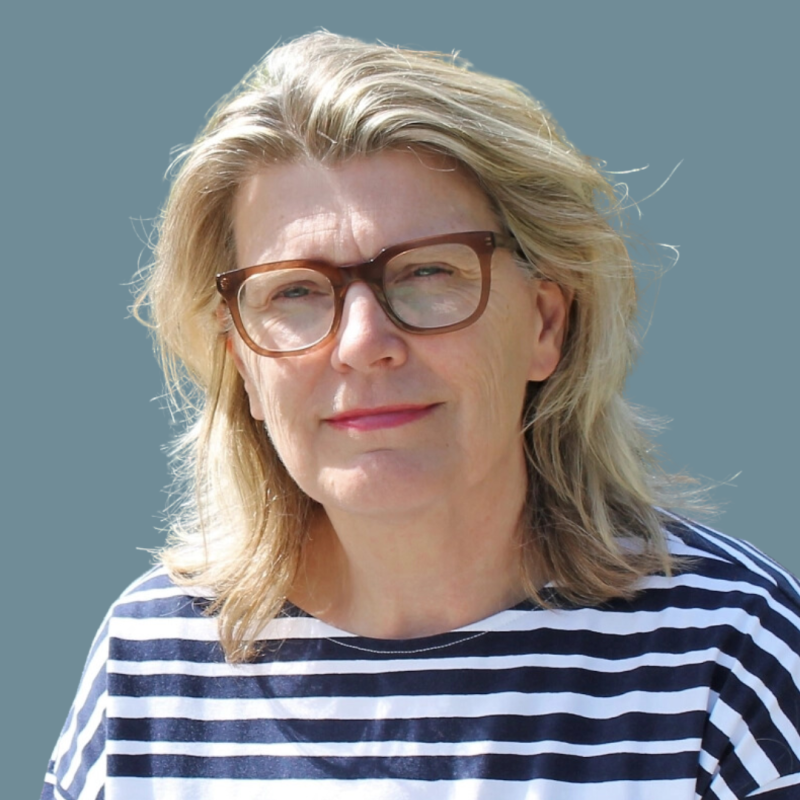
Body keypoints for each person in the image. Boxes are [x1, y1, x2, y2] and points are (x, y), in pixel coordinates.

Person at [42, 32, 800, 800]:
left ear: (544, 324)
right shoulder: (150, 667)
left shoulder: (731, 659)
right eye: (294, 291)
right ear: (242, 358)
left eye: (428, 272)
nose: (363, 343)